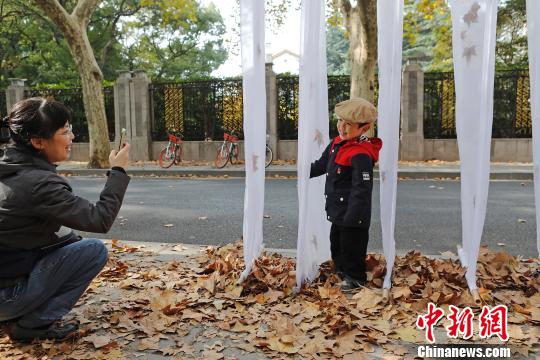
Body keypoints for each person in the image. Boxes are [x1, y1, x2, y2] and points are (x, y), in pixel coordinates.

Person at [0, 97, 130, 342]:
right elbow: (99, 219)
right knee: (93, 250)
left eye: (70, 129)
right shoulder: (39, 184)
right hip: (7, 296)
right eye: (65, 131)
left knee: (72, 241)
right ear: (38, 142)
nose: (71, 137)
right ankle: (32, 324)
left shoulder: (11, 168)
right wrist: (118, 172)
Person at [310, 97, 382, 290]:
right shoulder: (336, 143)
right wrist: (303, 172)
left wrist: (353, 216)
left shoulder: (361, 153)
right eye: (340, 121)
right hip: (338, 210)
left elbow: (362, 189)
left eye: (348, 124)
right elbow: (321, 165)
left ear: (364, 128)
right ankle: (342, 271)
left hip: (353, 214)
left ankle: (355, 278)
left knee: (353, 247)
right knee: (337, 244)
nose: (341, 127)